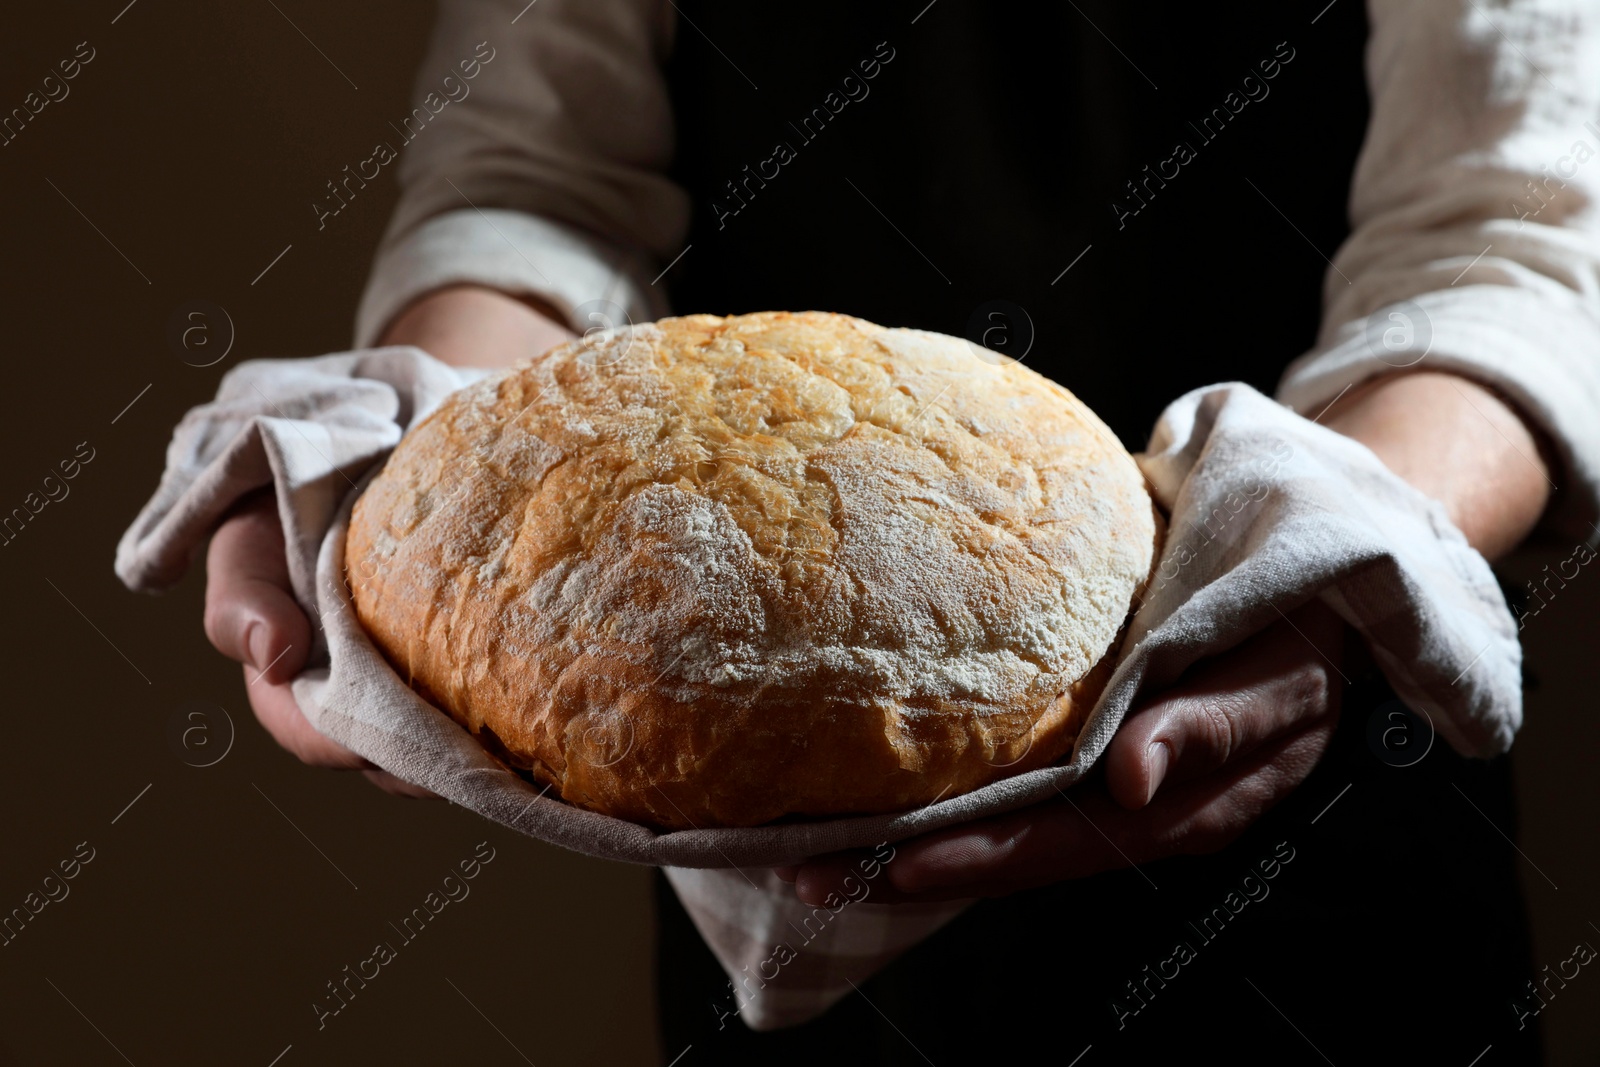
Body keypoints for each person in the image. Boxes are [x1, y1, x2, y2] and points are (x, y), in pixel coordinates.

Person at [202, 1, 1600, 1060]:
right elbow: (531, 186)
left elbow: (1513, 233)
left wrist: (1316, 555)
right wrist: (410, 461)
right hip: (763, 853)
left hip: (1318, 847)